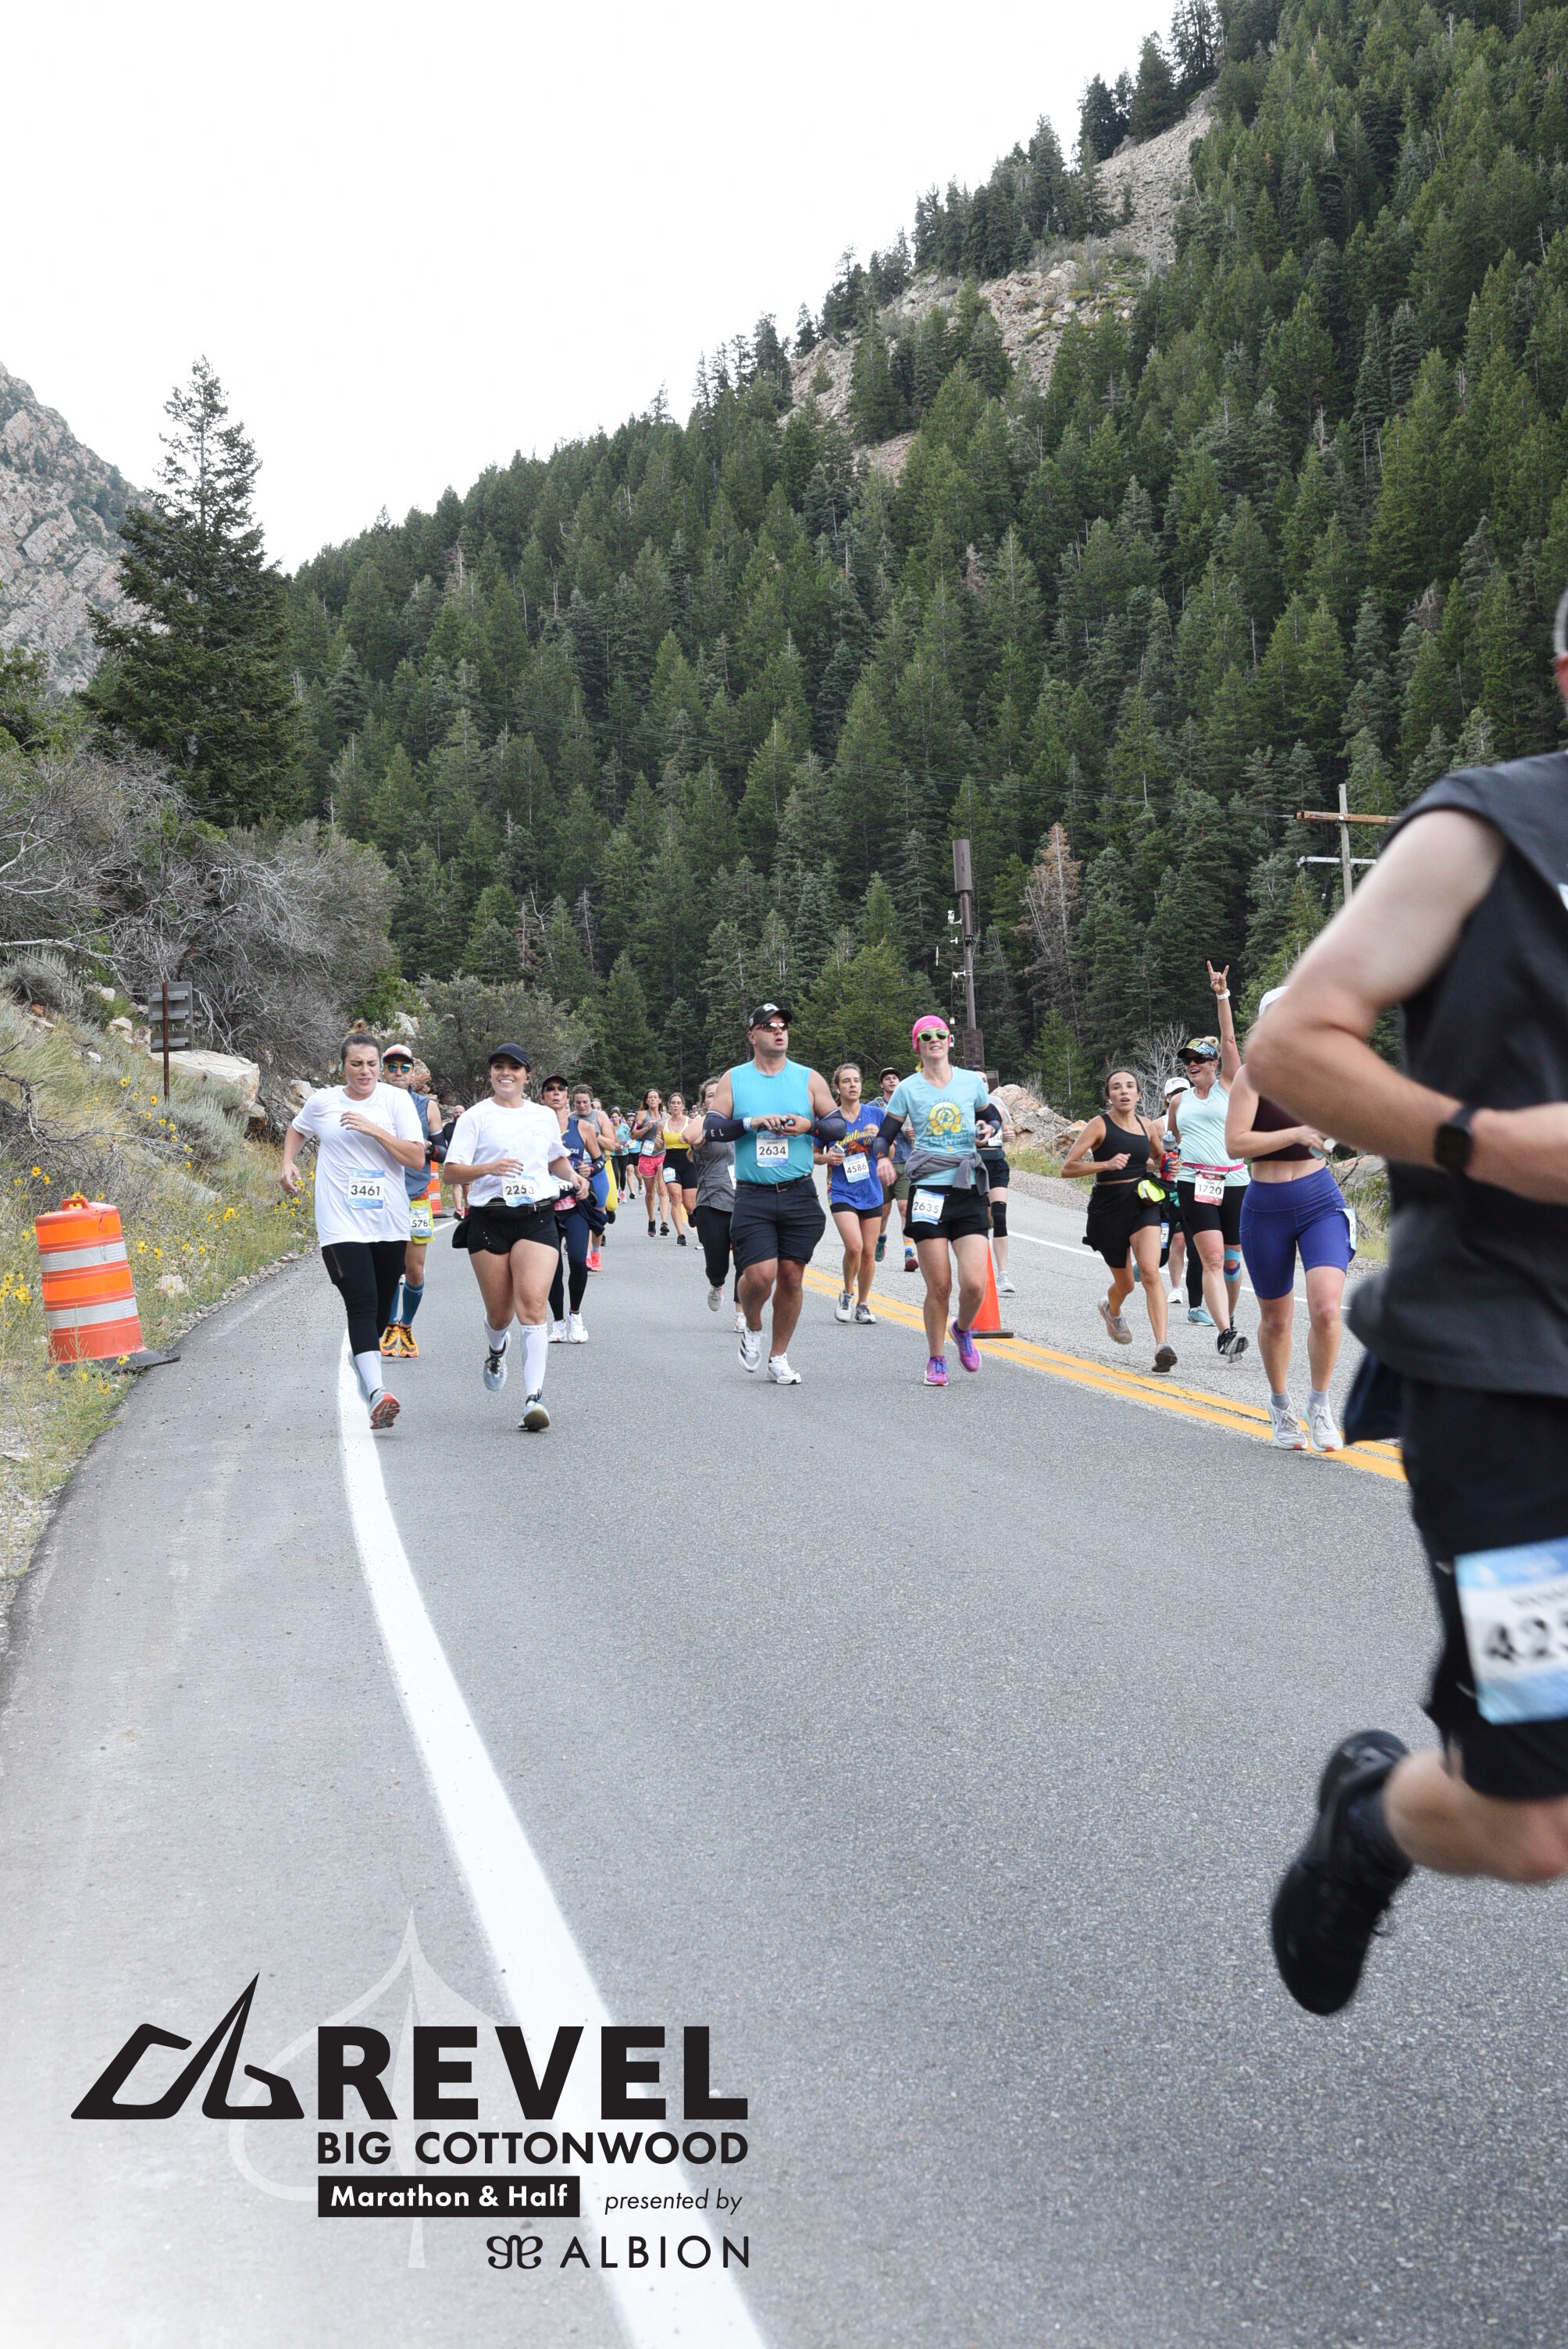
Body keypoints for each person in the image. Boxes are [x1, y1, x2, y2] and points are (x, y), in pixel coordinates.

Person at [1249, 640, 1568, 2015]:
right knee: (1535, 1827)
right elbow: (1289, 1043)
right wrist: (1488, 1143)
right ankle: (1369, 1821)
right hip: (1513, 1375)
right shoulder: (1485, 829)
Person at [280, 1034, 428, 1428]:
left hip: (389, 1220)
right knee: (361, 1301)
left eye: (372, 1064)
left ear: (380, 1067)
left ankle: (364, 1361)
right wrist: (288, 1162)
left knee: (380, 1307)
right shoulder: (324, 1101)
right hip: (340, 1221)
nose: (365, 1072)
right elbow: (298, 1129)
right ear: (342, 1066)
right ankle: (378, 1391)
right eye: (357, 1064)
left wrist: (374, 1130)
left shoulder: (396, 1102)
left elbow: (416, 1158)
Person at [1225, 991, 1349, 1452]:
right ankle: (1280, 1405)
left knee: (1326, 1309)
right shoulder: (1251, 1077)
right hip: (1265, 1207)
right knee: (1276, 1320)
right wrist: (1295, 1131)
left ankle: (1320, 1404)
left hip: (1320, 1201)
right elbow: (1235, 1144)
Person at [440, 1044, 586, 1431]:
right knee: (500, 1314)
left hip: (536, 1216)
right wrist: (489, 1168)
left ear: (527, 1075)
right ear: (490, 1074)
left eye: (515, 1068)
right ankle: (496, 1348)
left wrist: (572, 1175)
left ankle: (533, 1398)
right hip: (489, 1218)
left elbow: (554, 1158)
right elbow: (451, 1173)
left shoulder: (543, 1115)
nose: (506, 1073)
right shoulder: (475, 1117)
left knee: (533, 1305)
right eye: (499, 1067)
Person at [702, 1001, 843, 1384]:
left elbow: (838, 1126)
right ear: (752, 1036)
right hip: (754, 1194)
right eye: (769, 1026)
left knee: (792, 1278)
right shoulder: (735, 1079)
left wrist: (809, 1126)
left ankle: (779, 1356)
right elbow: (712, 1127)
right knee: (760, 1277)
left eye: (783, 1025)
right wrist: (751, 1123)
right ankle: (752, 1324)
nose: (779, 1031)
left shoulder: (808, 1078)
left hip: (798, 1192)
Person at [872, 1017, 999, 1387]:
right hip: (928, 1190)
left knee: (974, 1284)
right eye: (925, 1036)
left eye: (940, 1034)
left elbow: (991, 1117)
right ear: (918, 1045)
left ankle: (962, 1328)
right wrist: (881, 1159)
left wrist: (988, 1128)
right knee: (940, 1286)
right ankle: (936, 1359)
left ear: (950, 1040)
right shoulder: (907, 1089)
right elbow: (885, 1136)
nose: (934, 1040)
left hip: (967, 1188)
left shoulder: (970, 1082)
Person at [1060, 1069, 1178, 1374]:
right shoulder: (1099, 1125)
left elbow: (1157, 1158)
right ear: (1109, 1096)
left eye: (1129, 1086)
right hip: (1108, 1210)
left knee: (1150, 1271)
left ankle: (1162, 1346)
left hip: (1142, 1203)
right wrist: (1106, 1164)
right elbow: (1068, 1168)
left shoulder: (1146, 1125)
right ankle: (1110, 1309)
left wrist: (1168, 1165)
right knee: (1126, 1284)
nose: (1124, 1091)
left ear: (1138, 1094)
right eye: (1116, 1087)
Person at [1168, 966, 1249, 1361]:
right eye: (1188, 1060)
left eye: (1200, 1058)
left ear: (1215, 1064)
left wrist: (1222, 994)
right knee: (1212, 1258)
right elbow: (1173, 1140)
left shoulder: (1229, 1086)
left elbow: (1230, 1038)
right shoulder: (1178, 1101)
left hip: (1234, 1181)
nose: (1192, 1064)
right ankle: (1225, 1332)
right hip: (1194, 1182)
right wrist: (1173, 1159)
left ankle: (1228, 1316)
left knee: (1232, 1260)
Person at [378, 1043, 441, 1359]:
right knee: (389, 1268)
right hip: (383, 1198)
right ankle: (390, 1327)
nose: (398, 1072)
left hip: (416, 1197)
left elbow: (444, 1152)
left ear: (413, 1072)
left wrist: (428, 1148)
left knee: (414, 1270)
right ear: (383, 1071)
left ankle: (406, 1325)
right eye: (392, 1067)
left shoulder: (427, 1107)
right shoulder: (373, 1103)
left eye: (404, 1067)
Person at [540, 1073, 600, 1342]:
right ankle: (558, 1322)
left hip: (575, 1205)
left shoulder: (582, 1127)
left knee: (577, 1260)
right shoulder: (535, 1128)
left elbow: (600, 1160)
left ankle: (575, 1315)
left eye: (560, 1089)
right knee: (552, 1267)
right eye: (550, 1089)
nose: (556, 1093)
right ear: (542, 1097)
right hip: (546, 1207)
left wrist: (589, 1170)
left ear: (567, 1097)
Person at [823, 1063, 884, 1324]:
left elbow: (891, 1152)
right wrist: (826, 1157)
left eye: (856, 1080)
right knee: (855, 1246)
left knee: (869, 1252)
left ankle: (863, 1303)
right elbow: (814, 1154)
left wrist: (880, 1138)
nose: (852, 1085)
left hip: (871, 1190)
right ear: (837, 1087)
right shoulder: (829, 1120)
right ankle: (848, 1293)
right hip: (841, 1190)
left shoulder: (876, 1114)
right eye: (846, 1081)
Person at [684, 1078, 739, 1321]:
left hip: (744, 1200)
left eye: (721, 1093)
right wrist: (714, 1113)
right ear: (703, 1102)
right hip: (712, 1201)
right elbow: (688, 1136)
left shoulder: (740, 1122)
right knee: (718, 1265)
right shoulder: (703, 1126)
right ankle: (716, 1284)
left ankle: (742, 1313)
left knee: (746, 1261)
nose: (716, 1097)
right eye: (710, 1095)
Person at [872, 1065, 918, 1272]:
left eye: (895, 1078)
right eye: (887, 1078)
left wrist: (915, 1132)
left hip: (906, 1162)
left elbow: (925, 1128)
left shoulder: (910, 1105)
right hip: (883, 1164)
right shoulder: (874, 1106)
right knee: (883, 1211)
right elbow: (866, 1130)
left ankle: (909, 1252)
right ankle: (881, 1237)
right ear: (882, 1084)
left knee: (905, 1208)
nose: (892, 1081)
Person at [980, 1087, 1018, 1295]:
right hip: (975, 1166)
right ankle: (982, 1272)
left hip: (996, 1164)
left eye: (984, 1081)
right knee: (983, 1221)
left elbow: (1007, 1131)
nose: (981, 1085)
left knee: (999, 1216)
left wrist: (1009, 1134)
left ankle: (1003, 1274)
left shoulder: (997, 1106)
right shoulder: (963, 1106)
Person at [632, 1088, 668, 1236]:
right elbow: (633, 1134)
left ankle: (664, 1223)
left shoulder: (666, 1116)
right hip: (647, 1156)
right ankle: (652, 1220)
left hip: (663, 1155)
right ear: (646, 1101)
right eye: (650, 1097)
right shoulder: (642, 1115)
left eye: (655, 1097)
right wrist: (647, 1128)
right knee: (651, 1193)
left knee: (662, 1190)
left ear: (660, 1100)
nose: (653, 1099)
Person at [662, 1092, 693, 1246]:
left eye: (678, 1103)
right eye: (673, 1103)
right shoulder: (663, 1125)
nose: (675, 1106)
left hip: (688, 1162)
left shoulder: (691, 1122)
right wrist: (657, 1145)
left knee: (689, 1203)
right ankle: (681, 1234)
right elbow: (658, 1146)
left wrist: (689, 1140)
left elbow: (699, 1142)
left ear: (683, 1106)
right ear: (669, 1106)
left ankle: (690, 1213)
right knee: (675, 1197)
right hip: (670, 1163)